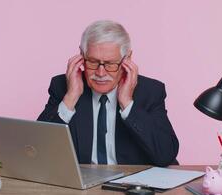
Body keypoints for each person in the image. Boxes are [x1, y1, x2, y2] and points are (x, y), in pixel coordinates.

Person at [38, 20, 179, 167]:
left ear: (127, 59)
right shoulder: (62, 86)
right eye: (92, 62)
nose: (100, 73)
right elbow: (36, 149)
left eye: (110, 64)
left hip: (132, 184)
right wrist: (70, 97)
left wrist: (127, 103)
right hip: (83, 184)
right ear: (81, 55)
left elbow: (166, 155)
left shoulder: (150, 91)